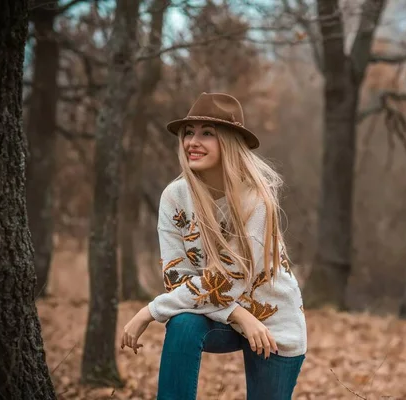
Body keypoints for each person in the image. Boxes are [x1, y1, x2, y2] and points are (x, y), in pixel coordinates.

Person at [120, 92, 307, 400]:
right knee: (182, 323)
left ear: (230, 142)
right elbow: (176, 280)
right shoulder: (174, 198)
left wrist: (148, 312)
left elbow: (230, 278)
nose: (193, 142)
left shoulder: (256, 199)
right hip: (220, 315)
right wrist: (239, 316)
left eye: (207, 133)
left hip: (273, 321)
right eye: (188, 133)